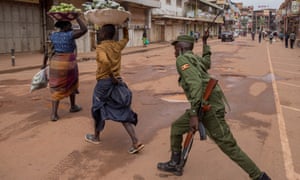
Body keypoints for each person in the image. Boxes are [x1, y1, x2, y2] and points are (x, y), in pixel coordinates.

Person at [156, 32, 271, 180]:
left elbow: (195, 84)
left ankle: (259, 176)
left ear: (181, 47)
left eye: (175, 48)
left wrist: (193, 115)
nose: (174, 51)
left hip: (208, 107)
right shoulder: (194, 58)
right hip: (201, 103)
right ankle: (174, 162)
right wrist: (205, 43)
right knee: (177, 127)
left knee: (228, 145)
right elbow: (207, 63)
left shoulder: (182, 59)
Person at [85, 23, 144, 154]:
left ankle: (96, 137)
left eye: (100, 32)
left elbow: (105, 62)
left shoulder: (101, 48)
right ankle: (135, 141)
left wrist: (110, 76)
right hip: (117, 82)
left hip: (104, 83)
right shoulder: (117, 46)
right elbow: (126, 39)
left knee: (97, 107)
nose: (99, 34)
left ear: (105, 34)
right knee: (122, 109)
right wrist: (124, 27)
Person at [42, 17, 87, 121]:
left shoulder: (53, 35)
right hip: (68, 63)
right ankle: (73, 106)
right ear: (65, 26)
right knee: (72, 83)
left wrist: (43, 63)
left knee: (56, 87)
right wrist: (77, 17)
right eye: (70, 25)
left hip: (55, 62)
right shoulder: (70, 35)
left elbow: (47, 50)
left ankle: (54, 114)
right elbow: (84, 30)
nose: (71, 27)